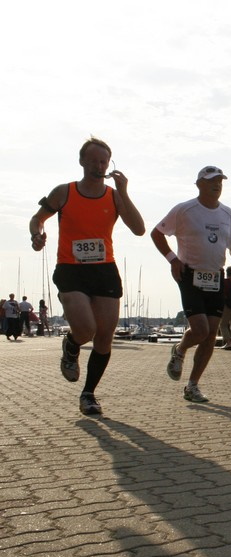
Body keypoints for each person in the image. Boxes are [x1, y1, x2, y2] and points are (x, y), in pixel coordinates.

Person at [28, 137, 145, 415]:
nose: (98, 166)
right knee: (85, 330)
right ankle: (71, 344)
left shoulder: (114, 196)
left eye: (103, 161)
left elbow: (139, 229)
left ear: (109, 164)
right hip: (71, 269)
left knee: (104, 336)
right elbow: (37, 219)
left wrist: (124, 192)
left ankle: (89, 394)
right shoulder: (64, 192)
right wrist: (37, 235)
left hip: (104, 270)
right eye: (93, 161)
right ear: (82, 161)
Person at [151, 166, 231, 403]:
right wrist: (173, 259)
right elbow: (157, 233)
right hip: (189, 274)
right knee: (200, 330)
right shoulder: (185, 210)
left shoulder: (227, 213)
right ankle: (180, 349)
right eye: (211, 181)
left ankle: (192, 385)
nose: (217, 185)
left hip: (215, 277)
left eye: (220, 181)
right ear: (199, 184)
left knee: (210, 334)